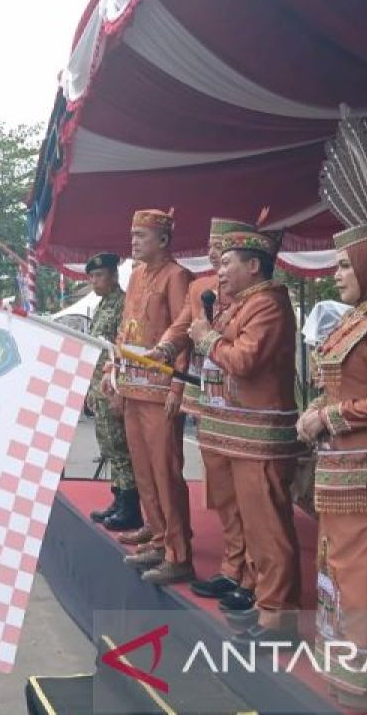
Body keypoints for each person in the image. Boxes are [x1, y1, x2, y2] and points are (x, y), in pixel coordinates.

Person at [294, 225, 367, 708]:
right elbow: (342, 384)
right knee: (337, 565)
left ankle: (366, 679)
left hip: (365, 465)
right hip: (338, 464)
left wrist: (329, 416)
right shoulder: (357, 318)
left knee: (361, 567)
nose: (336, 273)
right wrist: (317, 411)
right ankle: (345, 666)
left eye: (346, 264)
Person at [189, 226, 304, 643]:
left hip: (259, 436)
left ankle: (279, 616)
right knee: (253, 525)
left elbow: (244, 360)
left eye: (226, 263)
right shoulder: (243, 304)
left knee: (269, 527)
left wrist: (207, 339)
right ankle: (261, 599)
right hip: (237, 433)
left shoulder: (268, 305)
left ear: (253, 266)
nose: (219, 271)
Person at [159, 217, 252, 603]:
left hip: (244, 406)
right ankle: (233, 566)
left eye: (223, 247)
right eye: (212, 245)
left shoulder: (254, 298)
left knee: (250, 496)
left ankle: (252, 574)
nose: (214, 252)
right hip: (208, 399)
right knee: (220, 490)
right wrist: (165, 348)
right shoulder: (201, 288)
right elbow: (181, 328)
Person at [107, 208, 194, 586]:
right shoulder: (136, 275)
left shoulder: (177, 277)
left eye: (141, 235)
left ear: (162, 239)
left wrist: (178, 386)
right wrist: (115, 374)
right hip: (133, 387)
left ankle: (178, 553)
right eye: (132, 234)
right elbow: (124, 332)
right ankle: (158, 538)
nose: (133, 241)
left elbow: (186, 333)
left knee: (165, 472)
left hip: (161, 393)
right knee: (144, 470)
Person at [83, 252, 138, 531]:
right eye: (92, 276)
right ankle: (118, 500)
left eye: (100, 275)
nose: (94, 281)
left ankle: (130, 506)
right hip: (100, 386)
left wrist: (119, 391)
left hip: (114, 386)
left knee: (120, 448)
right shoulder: (104, 304)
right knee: (108, 446)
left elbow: (120, 351)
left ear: (114, 275)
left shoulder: (122, 304)